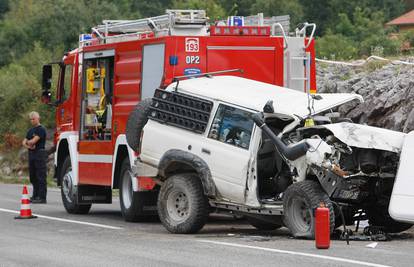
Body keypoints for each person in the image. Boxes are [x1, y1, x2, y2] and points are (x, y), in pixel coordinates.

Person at [22, 111, 47, 204]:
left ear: (38, 118)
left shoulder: (41, 129)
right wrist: (29, 145)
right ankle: (35, 195)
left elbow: (33, 141)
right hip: (31, 154)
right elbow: (24, 142)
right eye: (31, 119)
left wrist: (30, 142)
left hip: (39, 154)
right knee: (33, 176)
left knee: (41, 176)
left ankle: (42, 197)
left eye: (34, 119)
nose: (32, 121)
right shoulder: (30, 130)